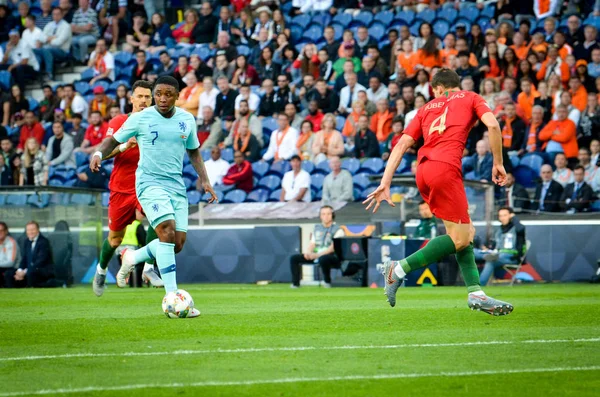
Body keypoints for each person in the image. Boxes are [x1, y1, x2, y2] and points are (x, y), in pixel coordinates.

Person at [364, 68, 513, 314]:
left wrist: (385, 182)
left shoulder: (426, 108)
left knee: (465, 233)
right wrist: (498, 162)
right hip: (445, 170)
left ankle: (475, 292)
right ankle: (398, 269)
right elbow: (494, 126)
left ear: (439, 88)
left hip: (423, 171)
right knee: (460, 237)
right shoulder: (471, 97)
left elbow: (402, 143)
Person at [90, 75, 218, 315]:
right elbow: (112, 140)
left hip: (175, 186)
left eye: (167, 94)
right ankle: (174, 299)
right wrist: (98, 153)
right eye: (157, 93)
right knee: (165, 233)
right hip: (147, 183)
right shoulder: (140, 118)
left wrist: (206, 180)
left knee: (176, 244)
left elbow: (194, 152)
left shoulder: (186, 120)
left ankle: (133, 257)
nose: (161, 98)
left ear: (178, 96)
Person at [88, 80, 163, 295]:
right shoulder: (120, 121)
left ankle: (148, 267)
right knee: (115, 239)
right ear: (131, 99)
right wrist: (124, 146)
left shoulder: (157, 123)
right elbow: (107, 150)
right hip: (121, 188)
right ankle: (101, 271)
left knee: (159, 220)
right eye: (139, 96)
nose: (143, 101)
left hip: (147, 184)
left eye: (147, 97)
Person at [289, 205, 345, 288]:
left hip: (332, 256)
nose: (326, 216)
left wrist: (318, 255)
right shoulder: (316, 228)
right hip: (315, 254)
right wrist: (308, 253)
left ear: (332, 215)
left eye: (328, 214)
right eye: (323, 214)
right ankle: (295, 284)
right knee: (294, 258)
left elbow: (333, 248)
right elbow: (312, 243)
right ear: (320, 216)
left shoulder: (338, 230)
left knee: (324, 259)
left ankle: (327, 282)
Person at [474, 207, 526, 286]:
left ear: (511, 216)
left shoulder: (517, 228)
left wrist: (514, 218)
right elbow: (494, 246)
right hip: (496, 253)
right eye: (500, 216)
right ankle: (487, 255)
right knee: (472, 251)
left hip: (511, 257)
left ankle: (479, 286)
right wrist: (488, 249)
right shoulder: (499, 230)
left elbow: (521, 229)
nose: (502, 218)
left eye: (505, 215)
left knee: (491, 261)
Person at [5, 221, 54, 288]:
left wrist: (25, 272)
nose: (30, 232)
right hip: (28, 270)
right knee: (9, 274)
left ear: (38, 230)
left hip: (41, 271)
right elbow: (24, 259)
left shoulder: (44, 242)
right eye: (28, 230)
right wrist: (19, 271)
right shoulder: (27, 242)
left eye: (33, 230)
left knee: (31, 272)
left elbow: (40, 261)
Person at [36, 7, 72, 81]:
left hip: (62, 51)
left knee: (46, 50)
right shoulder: (49, 25)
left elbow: (59, 42)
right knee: (33, 51)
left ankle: (49, 73)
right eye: (54, 14)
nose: (56, 16)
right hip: (47, 48)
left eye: (58, 14)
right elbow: (41, 37)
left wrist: (47, 39)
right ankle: (36, 74)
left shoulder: (66, 26)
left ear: (62, 15)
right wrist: (52, 38)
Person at [0, 222, 20, 287]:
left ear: (6, 231)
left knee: (8, 274)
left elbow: (11, 263)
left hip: (13, 268)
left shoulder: (11, 242)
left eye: (1, 230)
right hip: (1, 267)